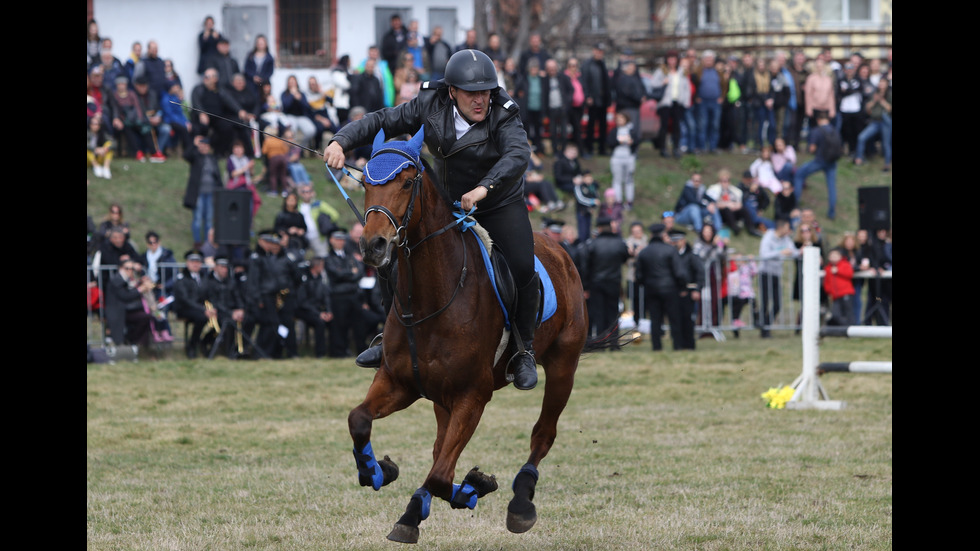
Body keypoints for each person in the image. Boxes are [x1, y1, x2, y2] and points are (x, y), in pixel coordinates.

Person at [322, 49, 540, 390]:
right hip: (447, 198)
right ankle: (388, 337)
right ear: (452, 91)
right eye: (472, 94)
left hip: (497, 202)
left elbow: (518, 154)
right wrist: (340, 140)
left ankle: (523, 350)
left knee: (523, 266)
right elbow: (382, 120)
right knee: (391, 252)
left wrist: (484, 188)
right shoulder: (429, 102)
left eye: (485, 92)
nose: (481, 100)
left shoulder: (504, 113)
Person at [247, 230, 303, 359]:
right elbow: (254, 281)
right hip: (268, 296)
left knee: (287, 323)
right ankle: (265, 352)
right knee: (270, 324)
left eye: (276, 243)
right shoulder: (261, 258)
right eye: (271, 243)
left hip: (286, 296)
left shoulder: (287, 258)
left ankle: (289, 351)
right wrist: (258, 298)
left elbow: (297, 277)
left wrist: (290, 290)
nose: (274, 246)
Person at [634, 223, 688, 351]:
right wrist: (682, 286)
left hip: (651, 289)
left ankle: (656, 346)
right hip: (670, 288)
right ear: (663, 235)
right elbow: (679, 272)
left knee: (655, 319)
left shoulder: (644, 252)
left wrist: (646, 284)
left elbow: (639, 275)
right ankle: (677, 345)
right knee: (674, 318)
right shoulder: (670, 250)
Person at [581, 215, 631, 339]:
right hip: (614, 281)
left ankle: (601, 340)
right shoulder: (619, 243)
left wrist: (585, 286)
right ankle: (614, 341)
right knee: (613, 312)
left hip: (596, 282)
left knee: (599, 312)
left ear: (599, 228)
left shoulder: (592, 244)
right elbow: (625, 257)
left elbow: (586, 266)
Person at [323, 228, 366, 358]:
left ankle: (361, 350)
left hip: (353, 295)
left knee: (359, 324)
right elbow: (336, 274)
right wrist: (350, 273)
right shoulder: (329, 258)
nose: (340, 242)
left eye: (342, 239)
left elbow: (359, 271)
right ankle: (339, 352)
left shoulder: (350, 256)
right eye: (337, 239)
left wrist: (346, 274)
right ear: (331, 241)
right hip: (338, 296)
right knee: (339, 325)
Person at [793, 110, 841, 220]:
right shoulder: (834, 130)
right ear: (828, 119)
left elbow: (812, 148)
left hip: (820, 160)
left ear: (818, 120)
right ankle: (831, 213)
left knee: (799, 174)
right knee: (831, 187)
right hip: (832, 162)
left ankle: (795, 205)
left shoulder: (817, 131)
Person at [757, 219, 799, 338]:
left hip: (776, 274)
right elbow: (764, 255)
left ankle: (766, 325)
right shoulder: (768, 237)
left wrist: (801, 252)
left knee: (777, 304)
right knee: (764, 303)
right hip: (765, 273)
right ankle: (764, 330)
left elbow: (793, 251)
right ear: (781, 227)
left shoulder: (786, 239)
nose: (789, 231)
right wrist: (780, 252)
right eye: (787, 228)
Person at [191, 68, 244, 158]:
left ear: (215, 79)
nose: (205, 79)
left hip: (217, 117)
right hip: (202, 117)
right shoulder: (198, 89)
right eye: (205, 76)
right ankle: (198, 153)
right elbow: (196, 102)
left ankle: (219, 152)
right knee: (201, 127)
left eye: (208, 77)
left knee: (227, 127)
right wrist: (201, 113)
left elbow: (230, 101)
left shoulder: (220, 90)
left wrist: (239, 110)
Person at [103, 259, 157, 348]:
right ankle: (132, 341)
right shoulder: (117, 279)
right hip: (118, 312)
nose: (130, 271)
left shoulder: (127, 279)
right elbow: (125, 296)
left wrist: (142, 284)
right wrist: (141, 289)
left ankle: (135, 343)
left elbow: (131, 291)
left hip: (126, 310)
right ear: (120, 268)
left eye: (132, 269)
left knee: (147, 317)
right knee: (144, 317)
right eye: (127, 268)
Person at [182, 135, 223, 249]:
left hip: (211, 193)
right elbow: (186, 155)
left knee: (209, 220)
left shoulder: (212, 159)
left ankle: (207, 243)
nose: (204, 148)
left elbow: (218, 176)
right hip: (198, 193)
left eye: (206, 146)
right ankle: (197, 242)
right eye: (202, 145)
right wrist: (193, 144)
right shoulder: (195, 157)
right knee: (197, 219)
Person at [651, 49, 691, 159]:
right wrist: (662, 82)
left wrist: (686, 102)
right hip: (665, 102)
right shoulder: (662, 70)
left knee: (676, 126)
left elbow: (686, 87)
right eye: (670, 59)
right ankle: (663, 148)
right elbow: (653, 83)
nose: (672, 61)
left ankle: (675, 148)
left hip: (678, 102)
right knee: (664, 126)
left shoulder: (682, 71)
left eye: (674, 59)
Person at [173, 250, 211, 358]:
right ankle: (192, 345)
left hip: (200, 308)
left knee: (221, 318)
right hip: (185, 309)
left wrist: (213, 308)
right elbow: (185, 299)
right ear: (187, 263)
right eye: (192, 261)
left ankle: (206, 341)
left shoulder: (204, 277)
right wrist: (203, 309)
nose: (195, 264)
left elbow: (209, 295)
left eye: (198, 262)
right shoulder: (182, 278)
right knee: (202, 317)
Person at [669, 228, 703, 349]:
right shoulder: (670, 255)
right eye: (673, 241)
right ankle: (677, 345)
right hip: (673, 292)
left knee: (687, 320)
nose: (675, 243)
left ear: (683, 241)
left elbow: (699, 273)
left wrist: (697, 289)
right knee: (675, 320)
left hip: (688, 292)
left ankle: (689, 344)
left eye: (677, 240)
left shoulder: (691, 256)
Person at [107, 75, 154, 160]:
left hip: (135, 119)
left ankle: (153, 152)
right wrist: (120, 119)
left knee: (145, 129)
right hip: (124, 120)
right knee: (128, 130)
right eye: (119, 84)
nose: (121, 85)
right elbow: (115, 109)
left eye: (123, 83)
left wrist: (140, 119)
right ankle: (137, 152)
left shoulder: (131, 94)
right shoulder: (114, 95)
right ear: (117, 85)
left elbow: (137, 107)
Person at [295, 256, 334, 358]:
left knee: (334, 321)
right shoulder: (304, 279)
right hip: (304, 310)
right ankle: (320, 353)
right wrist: (318, 314)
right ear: (316, 266)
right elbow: (302, 302)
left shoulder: (322, 279)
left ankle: (334, 351)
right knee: (319, 323)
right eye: (321, 266)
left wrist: (328, 311)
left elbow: (326, 296)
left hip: (317, 310)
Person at [853, 77, 892, 171]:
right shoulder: (874, 94)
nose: (881, 84)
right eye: (880, 82)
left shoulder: (889, 94)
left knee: (886, 144)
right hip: (875, 122)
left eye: (883, 83)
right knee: (861, 137)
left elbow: (889, 109)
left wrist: (882, 101)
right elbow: (867, 109)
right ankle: (859, 159)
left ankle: (887, 165)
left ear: (887, 84)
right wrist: (874, 101)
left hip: (885, 122)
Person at [582, 43, 612, 157]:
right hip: (593, 101)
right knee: (591, 125)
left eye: (601, 51)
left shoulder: (603, 64)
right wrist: (588, 96)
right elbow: (584, 82)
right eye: (598, 51)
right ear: (594, 51)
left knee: (603, 125)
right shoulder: (587, 65)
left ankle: (602, 148)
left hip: (603, 101)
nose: (600, 53)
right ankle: (589, 148)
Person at [296, 183, 339, 259]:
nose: (306, 194)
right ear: (301, 194)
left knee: (322, 258)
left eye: (309, 191)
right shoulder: (298, 206)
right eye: (304, 192)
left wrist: (325, 224)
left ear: (312, 193)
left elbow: (334, 215)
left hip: (318, 237)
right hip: (303, 237)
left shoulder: (318, 204)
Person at [607, 111, 640, 210]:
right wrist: (618, 141)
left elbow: (637, 141)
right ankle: (618, 201)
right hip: (617, 158)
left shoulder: (632, 130)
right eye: (617, 119)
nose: (619, 121)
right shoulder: (614, 131)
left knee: (629, 180)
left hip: (629, 158)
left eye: (621, 118)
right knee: (617, 180)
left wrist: (631, 142)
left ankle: (629, 200)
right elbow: (609, 142)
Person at [131, 76, 168, 162]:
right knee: (147, 129)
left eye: (145, 86)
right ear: (136, 86)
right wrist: (148, 120)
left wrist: (158, 117)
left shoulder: (152, 94)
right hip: (141, 122)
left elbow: (158, 108)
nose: (143, 88)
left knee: (166, 129)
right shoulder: (134, 96)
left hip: (155, 120)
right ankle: (153, 152)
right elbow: (136, 113)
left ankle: (158, 152)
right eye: (141, 86)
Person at [543, 58, 574, 155]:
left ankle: (563, 150)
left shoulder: (563, 77)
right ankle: (555, 151)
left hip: (562, 108)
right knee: (553, 132)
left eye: (553, 68)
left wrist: (567, 102)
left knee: (564, 132)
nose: (552, 70)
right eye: (550, 69)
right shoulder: (545, 80)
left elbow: (571, 90)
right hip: (551, 109)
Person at [141, 230, 178, 310]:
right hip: (149, 287)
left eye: (155, 242)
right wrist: (144, 278)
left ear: (159, 242)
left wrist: (165, 285)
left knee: (162, 308)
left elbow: (175, 273)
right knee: (148, 308)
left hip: (162, 288)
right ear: (147, 244)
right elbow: (142, 271)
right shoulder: (144, 256)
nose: (153, 244)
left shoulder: (167, 255)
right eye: (151, 242)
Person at [515, 57, 545, 154]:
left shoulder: (541, 80)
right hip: (527, 109)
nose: (534, 70)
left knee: (538, 131)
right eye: (532, 68)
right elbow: (517, 92)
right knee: (527, 130)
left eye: (535, 68)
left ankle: (539, 150)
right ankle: (527, 151)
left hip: (538, 109)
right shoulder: (524, 79)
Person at [280, 74, 318, 149]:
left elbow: (307, 107)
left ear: (296, 83)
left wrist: (300, 99)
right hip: (289, 116)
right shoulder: (284, 94)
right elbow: (286, 106)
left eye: (293, 82)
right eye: (290, 82)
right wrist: (292, 95)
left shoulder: (302, 94)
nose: (292, 84)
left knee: (311, 130)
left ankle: (300, 149)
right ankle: (292, 150)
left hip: (301, 117)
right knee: (292, 131)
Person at [226, 140, 261, 219]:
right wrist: (247, 167)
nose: (238, 150)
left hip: (247, 188)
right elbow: (233, 174)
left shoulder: (246, 159)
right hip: (236, 189)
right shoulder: (231, 160)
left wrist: (251, 167)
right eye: (236, 148)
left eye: (240, 148)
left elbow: (251, 174)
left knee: (249, 211)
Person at [728, 254, 759, 338]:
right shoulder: (732, 269)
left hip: (748, 293)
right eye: (737, 260)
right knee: (736, 311)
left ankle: (756, 321)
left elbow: (755, 271)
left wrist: (752, 261)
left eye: (740, 259)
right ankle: (735, 328)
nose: (738, 262)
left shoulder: (746, 268)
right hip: (736, 294)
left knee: (754, 305)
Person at [823, 248, 856, 327]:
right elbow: (827, 282)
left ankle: (852, 328)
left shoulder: (845, 264)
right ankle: (843, 329)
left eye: (835, 255)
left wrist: (838, 271)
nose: (834, 257)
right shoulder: (828, 268)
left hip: (846, 294)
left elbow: (850, 274)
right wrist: (829, 291)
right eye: (832, 256)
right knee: (835, 313)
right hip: (835, 296)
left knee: (849, 312)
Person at [803, 57, 837, 132]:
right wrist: (809, 108)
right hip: (815, 108)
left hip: (825, 109)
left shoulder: (828, 79)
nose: (819, 68)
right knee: (814, 130)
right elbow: (808, 95)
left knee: (825, 131)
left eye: (821, 66)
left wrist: (832, 109)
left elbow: (831, 95)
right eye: (818, 66)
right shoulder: (811, 78)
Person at [160, 81, 193, 157]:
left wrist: (187, 122)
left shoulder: (175, 97)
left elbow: (180, 113)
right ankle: (188, 151)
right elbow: (170, 115)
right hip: (170, 121)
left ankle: (191, 149)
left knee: (192, 128)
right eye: (174, 86)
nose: (177, 88)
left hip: (178, 121)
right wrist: (183, 124)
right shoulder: (165, 99)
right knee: (183, 130)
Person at [736, 169, 772, 235]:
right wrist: (750, 191)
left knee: (761, 220)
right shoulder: (740, 187)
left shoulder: (757, 188)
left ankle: (771, 228)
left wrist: (761, 209)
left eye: (750, 179)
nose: (749, 181)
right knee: (748, 204)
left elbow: (767, 200)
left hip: (756, 212)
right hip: (746, 212)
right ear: (743, 179)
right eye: (747, 179)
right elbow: (741, 200)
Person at [274, 190, 309, 256]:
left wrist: (300, 230)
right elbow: (276, 228)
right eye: (290, 200)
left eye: (293, 200)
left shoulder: (299, 215)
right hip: (285, 240)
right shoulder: (281, 215)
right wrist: (287, 231)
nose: (291, 202)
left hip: (298, 241)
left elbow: (304, 228)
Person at [260, 125, 292, 197]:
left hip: (273, 159)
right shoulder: (279, 140)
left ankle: (274, 191)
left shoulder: (267, 141)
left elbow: (264, 151)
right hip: (282, 158)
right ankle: (285, 191)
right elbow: (286, 150)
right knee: (283, 175)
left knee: (273, 175)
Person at [573, 170, 599, 243]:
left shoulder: (593, 187)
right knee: (582, 231)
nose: (589, 179)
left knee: (588, 231)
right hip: (581, 212)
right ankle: (582, 246)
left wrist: (593, 206)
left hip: (589, 212)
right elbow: (580, 199)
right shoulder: (579, 187)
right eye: (586, 177)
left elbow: (596, 197)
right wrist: (592, 202)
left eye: (590, 177)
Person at [87, 114, 115, 179]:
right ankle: (96, 167)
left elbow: (114, 143)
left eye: (97, 124)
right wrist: (95, 149)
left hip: (99, 157)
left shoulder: (102, 134)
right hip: (89, 159)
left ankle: (106, 168)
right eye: (93, 124)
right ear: (90, 124)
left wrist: (105, 149)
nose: (95, 126)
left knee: (108, 144)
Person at [329, 55, 353, 127]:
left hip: (348, 102)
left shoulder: (348, 71)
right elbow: (345, 84)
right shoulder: (337, 72)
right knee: (342, 123)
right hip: (340, 102)